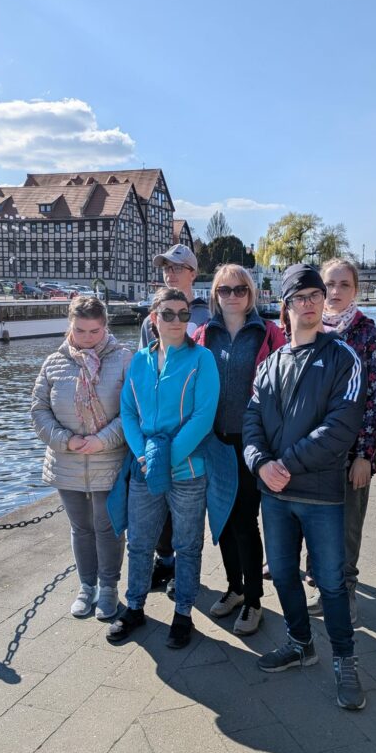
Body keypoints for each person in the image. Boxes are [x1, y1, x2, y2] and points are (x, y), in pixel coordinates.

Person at [243, 264, 367, 711]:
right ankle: (300, 642)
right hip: (275, 497)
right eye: (301, 296)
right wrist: (259, 463)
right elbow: (252, 419)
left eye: (317, 294)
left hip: (320, 496)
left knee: (332, 583)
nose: (311, 302)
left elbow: (341, 426)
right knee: (281, 572)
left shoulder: (343, 357)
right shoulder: (271, 363)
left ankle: (345, 660)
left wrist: (283, 465)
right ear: (286, 306)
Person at [108, 288, 220, 648]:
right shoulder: (139, 361)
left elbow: (203, 417)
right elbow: (128, 411)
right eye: (168, 314)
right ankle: (136, 606)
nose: (176, 321)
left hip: (187, 470)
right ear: (153, 318)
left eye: (183, 314)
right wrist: (143, 457)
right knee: (140, 542)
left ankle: (183, 612)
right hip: (145, 467)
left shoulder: (202, 359)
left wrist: (166, 460)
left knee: (187, 545)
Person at [193, 264, 286, 635]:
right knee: (223, 522)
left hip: (252, 443)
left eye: (239, 289)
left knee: (245, 522)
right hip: (215, 441)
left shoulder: (269, 333)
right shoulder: (204, 335)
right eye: (224, 290)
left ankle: (253, 600)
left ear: (251, 294)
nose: (231, 296)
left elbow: (284, 387)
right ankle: (234, 587)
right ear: (215, 295)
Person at [30, 296, 132, 620]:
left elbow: (132, 411)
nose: (88, 338)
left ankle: (109, 587)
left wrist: (101, 441)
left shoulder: (123, 359)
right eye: (81, 330)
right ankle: (86, 585)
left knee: (108, 527)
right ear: (69, 326)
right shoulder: (54, 363)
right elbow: (39, 411)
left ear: (106, 327)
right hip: (67, 460)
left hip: (109, 459)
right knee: (80, 528)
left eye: (95, 331)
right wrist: (66, 440)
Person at [304, 258, 376, 625]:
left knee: (346, 528)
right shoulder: (309, 330)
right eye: (330, 285)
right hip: (311, 453)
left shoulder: (367, 335)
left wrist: (365, 455)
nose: (336, 293)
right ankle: (325, 591)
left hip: (349, 452)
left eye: (344, 285)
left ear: (356, 290)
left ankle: (346, 595)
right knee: (317, 527)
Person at [139, 244, 211, 595]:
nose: (170, 272)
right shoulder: (148, 319)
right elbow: (144, 371)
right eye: (166, 267)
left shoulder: (206, 316)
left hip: (195, 433)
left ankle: (185, 572)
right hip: (158, 435)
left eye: (178, 267)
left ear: (193, 273)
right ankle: (163, 560)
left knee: (189, 511)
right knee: (159, 503)